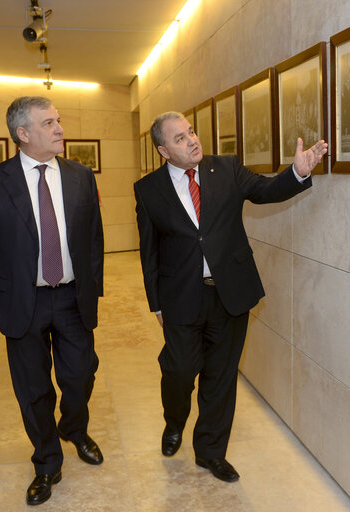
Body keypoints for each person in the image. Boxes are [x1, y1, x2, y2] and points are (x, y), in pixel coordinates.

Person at [134, 111, 326, 483]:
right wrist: (155, 302)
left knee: (221, 377)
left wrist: (297, 172)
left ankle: (210, 452)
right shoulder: (148, 189)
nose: (191, 140)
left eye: (190, 131)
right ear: (163, 151)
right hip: (180, 297)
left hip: (230, 294)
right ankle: (174, 421)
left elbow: (266, 191)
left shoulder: (226, 168)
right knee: (178, 371)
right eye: (179, 138)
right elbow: (149, 249)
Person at [0, 96, 104, 506]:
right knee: (33, 389)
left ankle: (74, 429)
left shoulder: (81, 175)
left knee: (80, 376)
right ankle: (47, 462)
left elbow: (93, 240)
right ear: (23, 134)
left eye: (58, 120)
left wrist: (92, 288)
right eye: (49, 123)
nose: (60, 128)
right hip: (20, 301)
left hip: (72, 298)